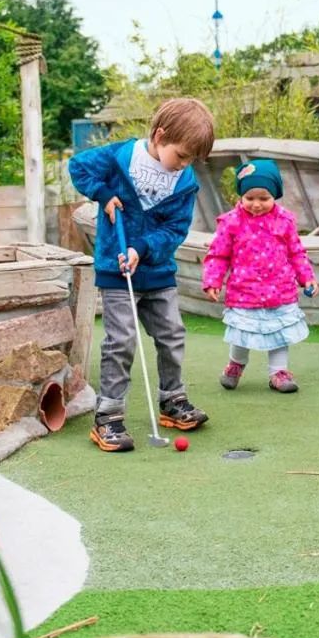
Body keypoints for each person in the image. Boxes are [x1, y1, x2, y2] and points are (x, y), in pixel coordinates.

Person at [67, 97, 216, 452]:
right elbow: (78, 167)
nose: (184, 165)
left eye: (191, 160)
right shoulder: (118, 158)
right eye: (181, 155)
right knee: (120, 340)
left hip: (157, 269)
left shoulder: (185, 181)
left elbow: (176, 227)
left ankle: (173, 401)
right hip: (116, 269)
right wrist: (103, 193)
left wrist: (144, 249)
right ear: (160, 135)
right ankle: (109, 416)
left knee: (172, 334)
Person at [202, 159, 319, 394]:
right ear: (241, 196)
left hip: (280, 290)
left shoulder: (284, 221)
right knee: (242, 331)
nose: (256, 204)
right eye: (250, 198)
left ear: (274, 196)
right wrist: (212, 280)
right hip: (244, 291)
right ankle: (236, 365)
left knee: (279, 332)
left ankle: (278, 371)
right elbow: (218, 254)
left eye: (263, 198)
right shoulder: (231, 222)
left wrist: (306, 277)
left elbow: (296, 252)